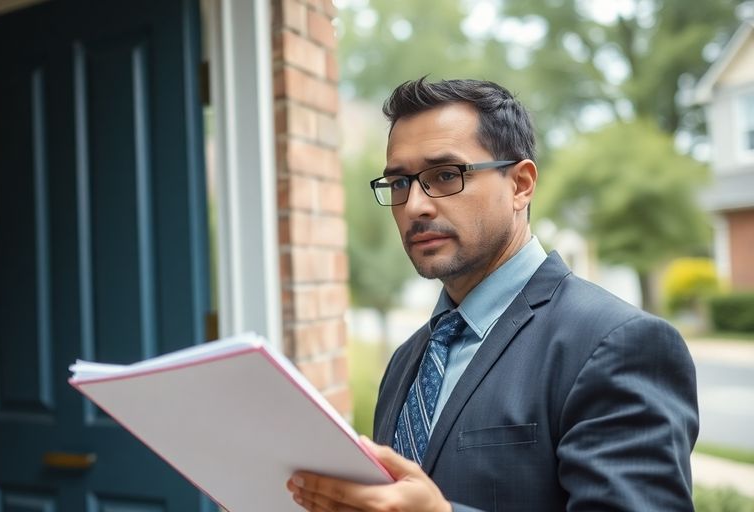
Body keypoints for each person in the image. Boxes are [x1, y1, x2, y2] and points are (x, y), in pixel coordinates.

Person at [286, 77, 699, 511]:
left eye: (445, 175)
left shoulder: (617, 344)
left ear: (520, 185)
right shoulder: (407, 360)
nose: (414, 207)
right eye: (400, 183)